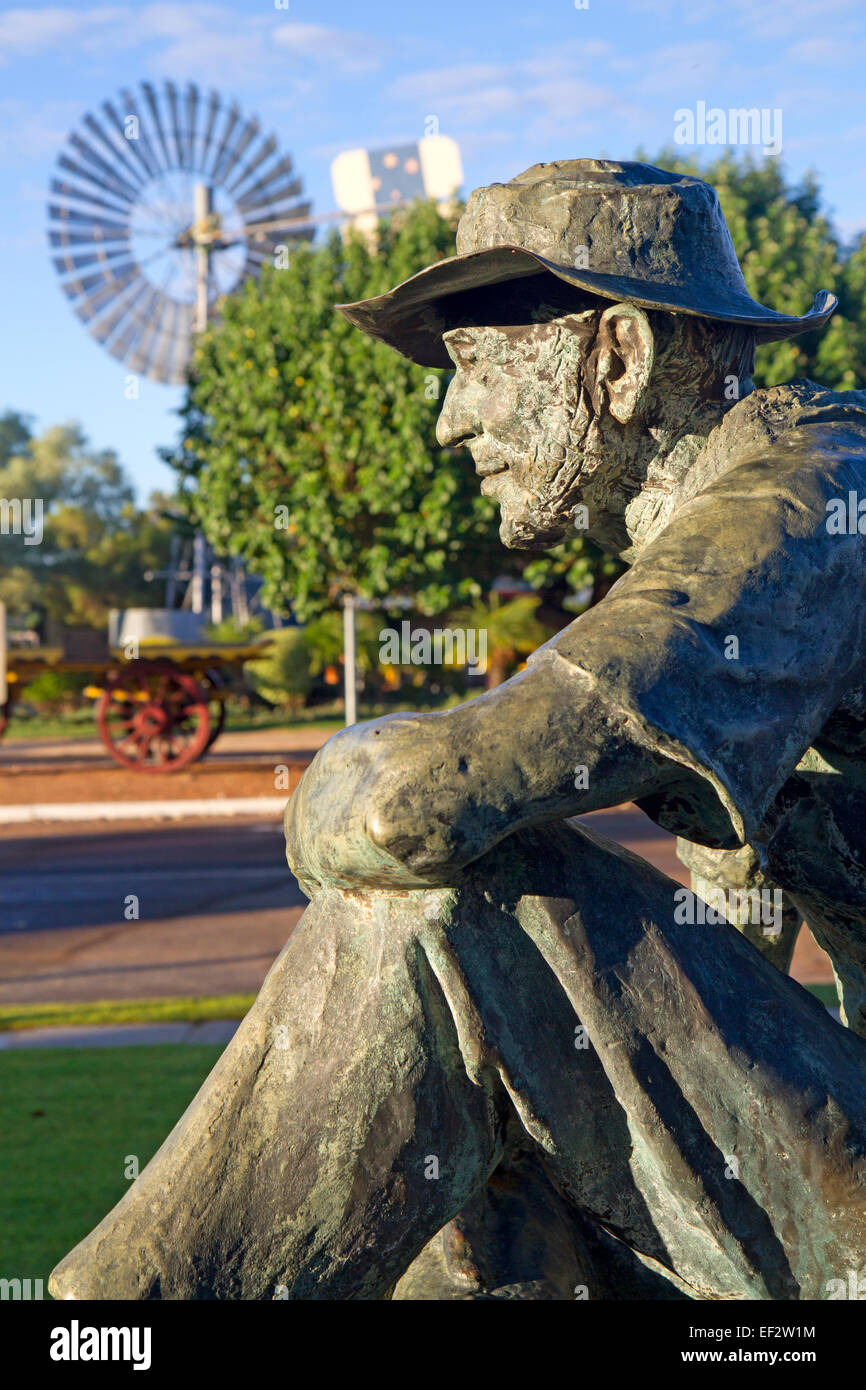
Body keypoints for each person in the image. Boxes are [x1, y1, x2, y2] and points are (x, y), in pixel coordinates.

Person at [51, 161, 866, 1302]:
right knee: (471, 1138)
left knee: (465, 899)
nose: (447, 422)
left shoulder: (809, 504)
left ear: (617, 360)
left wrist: (343, 783)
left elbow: (426, 801)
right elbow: (716, 964)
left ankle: (125, 1317)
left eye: (474, 369)